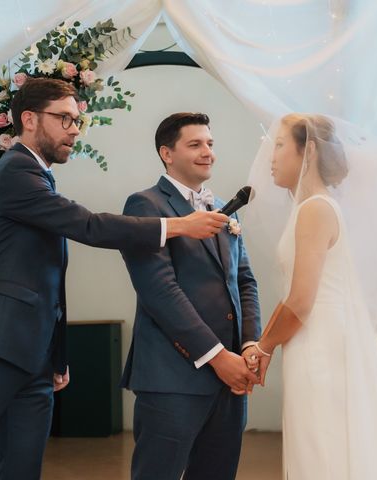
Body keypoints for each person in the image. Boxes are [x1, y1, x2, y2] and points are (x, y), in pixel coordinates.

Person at [0, 79, 227, 480]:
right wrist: (178, 225)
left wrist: (56, 354)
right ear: (29, 119)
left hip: (32, 359)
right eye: (64, 118)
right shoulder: (14, 172)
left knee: (21, 471)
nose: (74, 129)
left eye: (77, 120)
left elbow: (46, 278)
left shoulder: (39, 177)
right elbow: (87, 225)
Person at [243, 113, 377, 479]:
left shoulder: (315, 210)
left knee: (322, 445)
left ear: (307, 150)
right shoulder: (312, 207)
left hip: (321, 347)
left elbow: (301, 301)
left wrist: (263, 347)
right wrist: (267, 344)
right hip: (317, 340)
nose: (271, 157)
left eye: (279, 146)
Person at [120, 112, 261, 480]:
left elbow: (244, 281)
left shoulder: (220, 210)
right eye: (195, 144)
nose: (207, 152)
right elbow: (160, 291)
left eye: (210, 144)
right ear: (167, 153)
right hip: (172, 379)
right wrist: (217, 357)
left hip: (230, 377)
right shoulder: (146, 206)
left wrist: (248, 345)